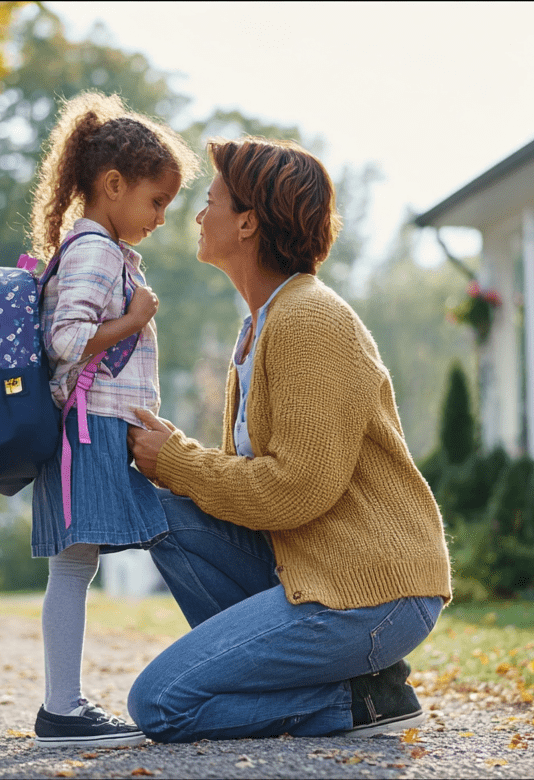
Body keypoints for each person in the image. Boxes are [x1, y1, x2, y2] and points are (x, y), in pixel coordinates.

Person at [126, 136, 452, 743]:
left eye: (212, 201)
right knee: (160, 511)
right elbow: (254, 492)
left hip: (373, 591)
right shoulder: (260, 326)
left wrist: (179, 460)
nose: (199, 215)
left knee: (161, 704)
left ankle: (359, 703)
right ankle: (324, 684)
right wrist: (173, 464)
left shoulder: (308, 320)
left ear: (248, 222)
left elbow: (296, 489)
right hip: (314, 570)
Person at [26, 91, 199, 748]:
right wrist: (135, 319)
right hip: (86, 429)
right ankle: (62, 710)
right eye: (156, 201)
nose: (160, 217)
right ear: (114, 184)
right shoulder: (95, 249)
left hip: (93, 426)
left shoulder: (97, 246)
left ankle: (62, 706)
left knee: (79, 564)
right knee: (80, 563)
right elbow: (67, 340)